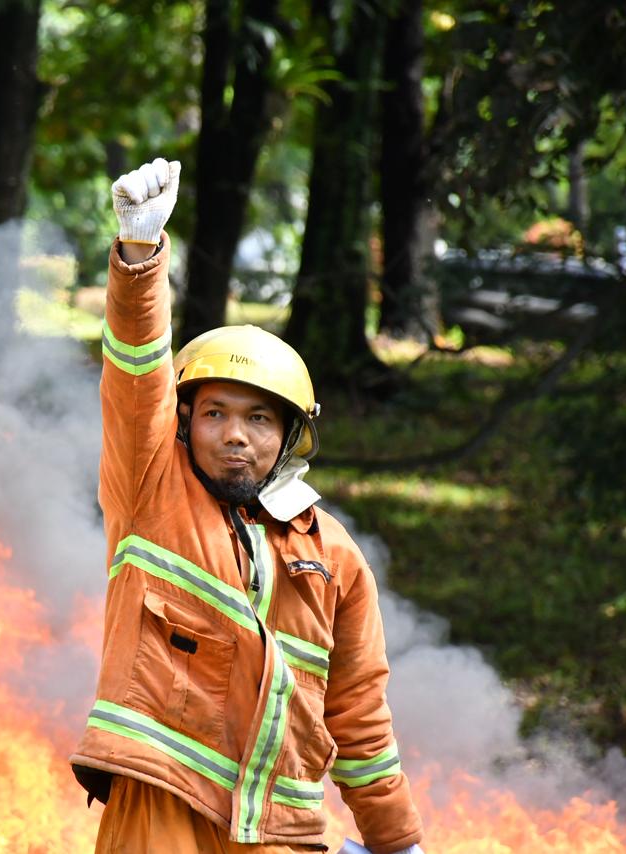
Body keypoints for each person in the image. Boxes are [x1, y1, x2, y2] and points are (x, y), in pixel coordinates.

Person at [70, 158, 425, 854]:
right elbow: (136, 375)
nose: (235, 434)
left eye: (261, 420)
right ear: (184, 421)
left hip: (280, 835)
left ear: (292, 437)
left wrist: (397, 841)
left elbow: (358, 718)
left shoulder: (334, 557)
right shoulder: (151, 490)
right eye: (216, 413)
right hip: (163, 809)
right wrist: (140, 255)